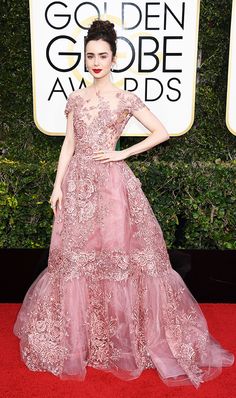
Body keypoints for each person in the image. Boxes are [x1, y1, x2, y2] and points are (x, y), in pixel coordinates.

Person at [13, 18, 234, 389]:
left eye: (103, 55)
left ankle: (123, 338)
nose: (96, 61)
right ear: (84, 59)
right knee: (76, 259)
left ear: (114, 58)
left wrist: (123, 154)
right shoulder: (77, 99)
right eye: (90, 56)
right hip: (78, 185)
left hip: (113, 186)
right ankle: (81, 337)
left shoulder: (125, 99)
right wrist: (57, 186)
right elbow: (68, 144)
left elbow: (160, 131)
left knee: (117, 258)